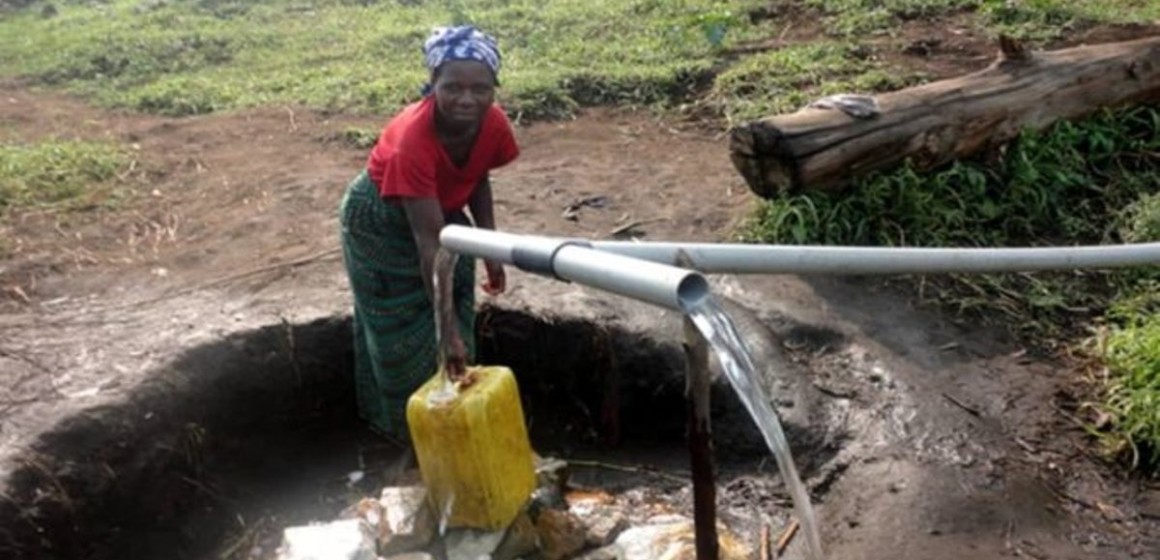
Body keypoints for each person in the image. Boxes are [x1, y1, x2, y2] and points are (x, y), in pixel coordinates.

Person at [339, 25, 519, 441]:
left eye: (481, 88)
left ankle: (457, 429)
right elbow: (429, 243)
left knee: (458, 301)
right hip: (381, 223)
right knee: (398, 329)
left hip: (444, 215)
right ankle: (404, 436)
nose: (467, 99)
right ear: (432, 84)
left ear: (495, 87)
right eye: (453, 87)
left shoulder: (492, 124)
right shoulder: (411, 142)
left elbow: (476, 177)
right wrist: (447, 334)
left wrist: (492, 252)